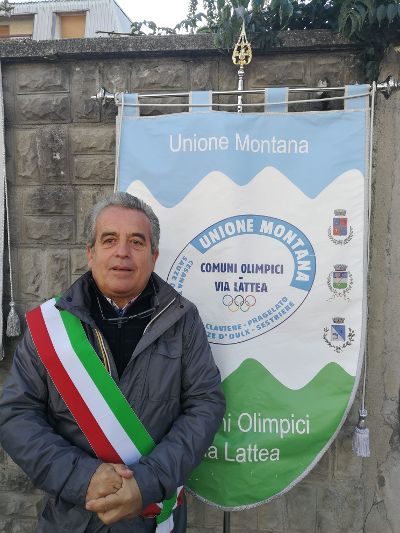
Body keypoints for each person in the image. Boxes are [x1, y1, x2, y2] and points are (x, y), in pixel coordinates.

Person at [0, 192, 225, 532]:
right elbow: (17, 414)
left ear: (153, 255)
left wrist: (147, 483)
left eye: (136, 241)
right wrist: (83, 478)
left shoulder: (182, 320)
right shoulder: (50, 325)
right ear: (90, 252)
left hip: (151, 519)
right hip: (72, 519)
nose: (122, 252)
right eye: (109, 240)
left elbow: (205, 405)